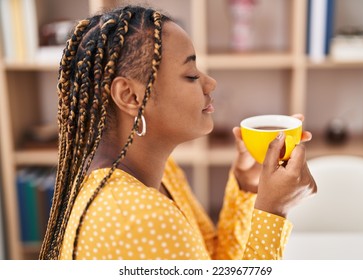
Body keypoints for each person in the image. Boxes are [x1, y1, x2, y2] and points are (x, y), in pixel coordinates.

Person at [39, 5, 316, 260]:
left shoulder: (163, 173)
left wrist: (248, 185)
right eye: (191, 75)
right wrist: (272, 211)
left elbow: (212, 260)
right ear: (131, 96)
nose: (210, 83)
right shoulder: (137, 217)